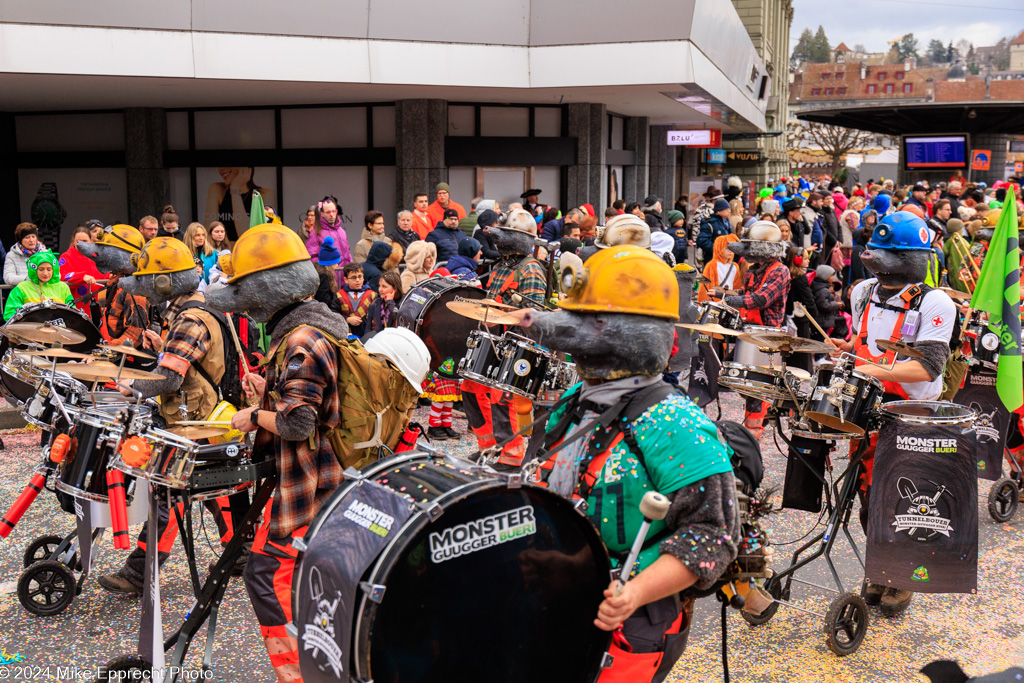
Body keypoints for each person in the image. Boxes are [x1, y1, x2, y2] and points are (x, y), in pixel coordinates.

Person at [202, 222, 427, 682]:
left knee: (266, 578)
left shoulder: (301, 341)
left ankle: (302, 674)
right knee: (312, 581)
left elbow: (299, 422)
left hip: (309, 484)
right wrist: (270, 389)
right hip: (327, 482)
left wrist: (253, 417)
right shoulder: (318, 328)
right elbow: (322, 402)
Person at [517, 246, 739, 683]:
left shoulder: (677, 422)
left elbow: (713, 537)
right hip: (556, 598)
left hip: (627, 624)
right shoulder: (571, 400)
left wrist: (633, 590)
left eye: (594, 322)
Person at [828, 211, 955, 618]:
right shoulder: (863, 290)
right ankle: (881, 567)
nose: (876, 261)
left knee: (904, 500)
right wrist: (845, 350)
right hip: (866, 408)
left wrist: (870, 367)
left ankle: (900, 575)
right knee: (866, 496)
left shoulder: (936, 302)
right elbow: (861, 341)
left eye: (889, 254)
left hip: (912, 413)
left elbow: (928, 367)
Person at [97, 237, 238, 595]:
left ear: (164, 283)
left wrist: (130, 386)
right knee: (213, 490)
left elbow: (171, 378)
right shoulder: (194, 309)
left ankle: (139, 573)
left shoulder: (190, 319)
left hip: (195, 421)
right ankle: (242, 551)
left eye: (145, 280)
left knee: (168, 494)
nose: (140, 287)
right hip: (200, 417)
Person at [461, 209, 545, 469]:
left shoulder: (531, 268)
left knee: (501, 398)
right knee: (470, 389)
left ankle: (513, 455)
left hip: (516, 343)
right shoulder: (501, 265)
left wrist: (502, 316)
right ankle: (488, 447)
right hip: (493, 338)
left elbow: (534, 314)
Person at [720, 221, 791, 436]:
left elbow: (760, 299)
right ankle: (761, 417)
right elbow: (744, 294)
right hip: (749, 330)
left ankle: (755, 429)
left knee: (757, 388)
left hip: (767, 335)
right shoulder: (752, 271)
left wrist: (733, 301)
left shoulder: (781, 271)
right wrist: (723, 297)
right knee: (741, 381)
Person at [77, 224, 152, 348]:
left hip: (125, 359)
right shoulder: (116, 283)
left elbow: (135, 334)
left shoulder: (134, 290)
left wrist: (109, 351)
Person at [203, 166, 277, 241]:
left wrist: (235, 188)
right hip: (224, 251)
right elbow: (208, 235)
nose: (222, 169)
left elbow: (246, 235)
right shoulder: (217, 189)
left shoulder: (264, 194)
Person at [4, 251, 73, 319]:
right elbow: (10, 314)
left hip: (59, 329)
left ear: (54, 269)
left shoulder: (63, 287)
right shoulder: (22, 288)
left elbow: (72, 313)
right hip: (30, 329)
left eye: (49, 269)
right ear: (34, 269)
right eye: (41, 269)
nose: (45, 273)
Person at [58, 225, 107, 317]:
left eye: (85, 241)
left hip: (97, 303)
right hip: (77, 304)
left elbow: (103, 274)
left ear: (90, 240)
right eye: (78, 241)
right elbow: (62, 275)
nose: (81, 243)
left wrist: (112, 276)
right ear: (73, 240)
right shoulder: (66, 256)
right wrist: (82, 276)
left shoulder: (96, 255)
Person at [305, 196, 351, 284]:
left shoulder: (341, 231)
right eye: (328, 212)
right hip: (330, 280)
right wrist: (327, 271)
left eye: (334, 211)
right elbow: (312, 258)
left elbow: (348, 253)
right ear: (322, 213)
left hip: (346, 279)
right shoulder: (316, 232)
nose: (332, 214)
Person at [697, 234, 743, 302]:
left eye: (732, 248)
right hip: (716, 303)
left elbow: (737, 287)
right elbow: (704, 288)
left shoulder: (735, 266)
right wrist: (703, 303)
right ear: (719, 248)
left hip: (729, 302)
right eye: (727, 248)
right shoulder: (712, 265)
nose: (730, 251)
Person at [338, 262, 375, 337]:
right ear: (346, 280)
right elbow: (334, 314)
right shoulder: (339, 295)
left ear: (363, 277)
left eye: (360, 276)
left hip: (366, 335)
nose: (357, 280)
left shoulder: (372, 295)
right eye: (353, 277)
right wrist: (347, 319)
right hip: (347, 336)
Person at [313, 237, 346, 317]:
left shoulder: (320, 271)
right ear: (330, 263)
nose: (338, 265)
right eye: (336, 263)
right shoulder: (324, 275)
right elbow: (324, 297)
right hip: (324, 312)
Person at [364, 271, 403, 337]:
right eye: (379, 286)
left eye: (384, 287)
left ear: (395, 289)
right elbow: (368, 328)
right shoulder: (375, 303)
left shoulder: (402, 303)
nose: (380, 290)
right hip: (378, 340)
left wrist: (390, 302)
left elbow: (398, 317)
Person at [810, 265, 841, 339]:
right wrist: (836, 304)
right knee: (821, 340)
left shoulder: (818, 287)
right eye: (831, 276)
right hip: (822, 321)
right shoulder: (823, 290)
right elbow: (824, 305)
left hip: (821, 321)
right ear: (825, 276)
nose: (833, 278)